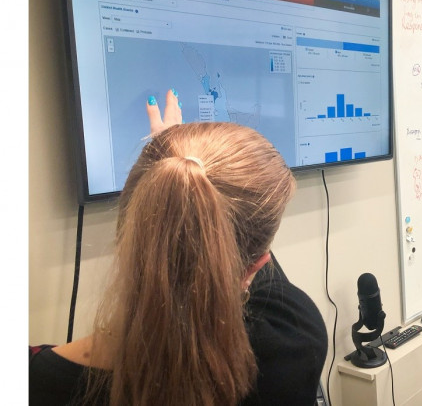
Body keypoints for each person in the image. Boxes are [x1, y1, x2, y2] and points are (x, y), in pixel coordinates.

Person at [29, 90, 328, 405]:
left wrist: (167, 170)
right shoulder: (294, 340)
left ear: (134, 228)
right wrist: (184, 189)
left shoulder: (35, 382)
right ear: (253, 267)